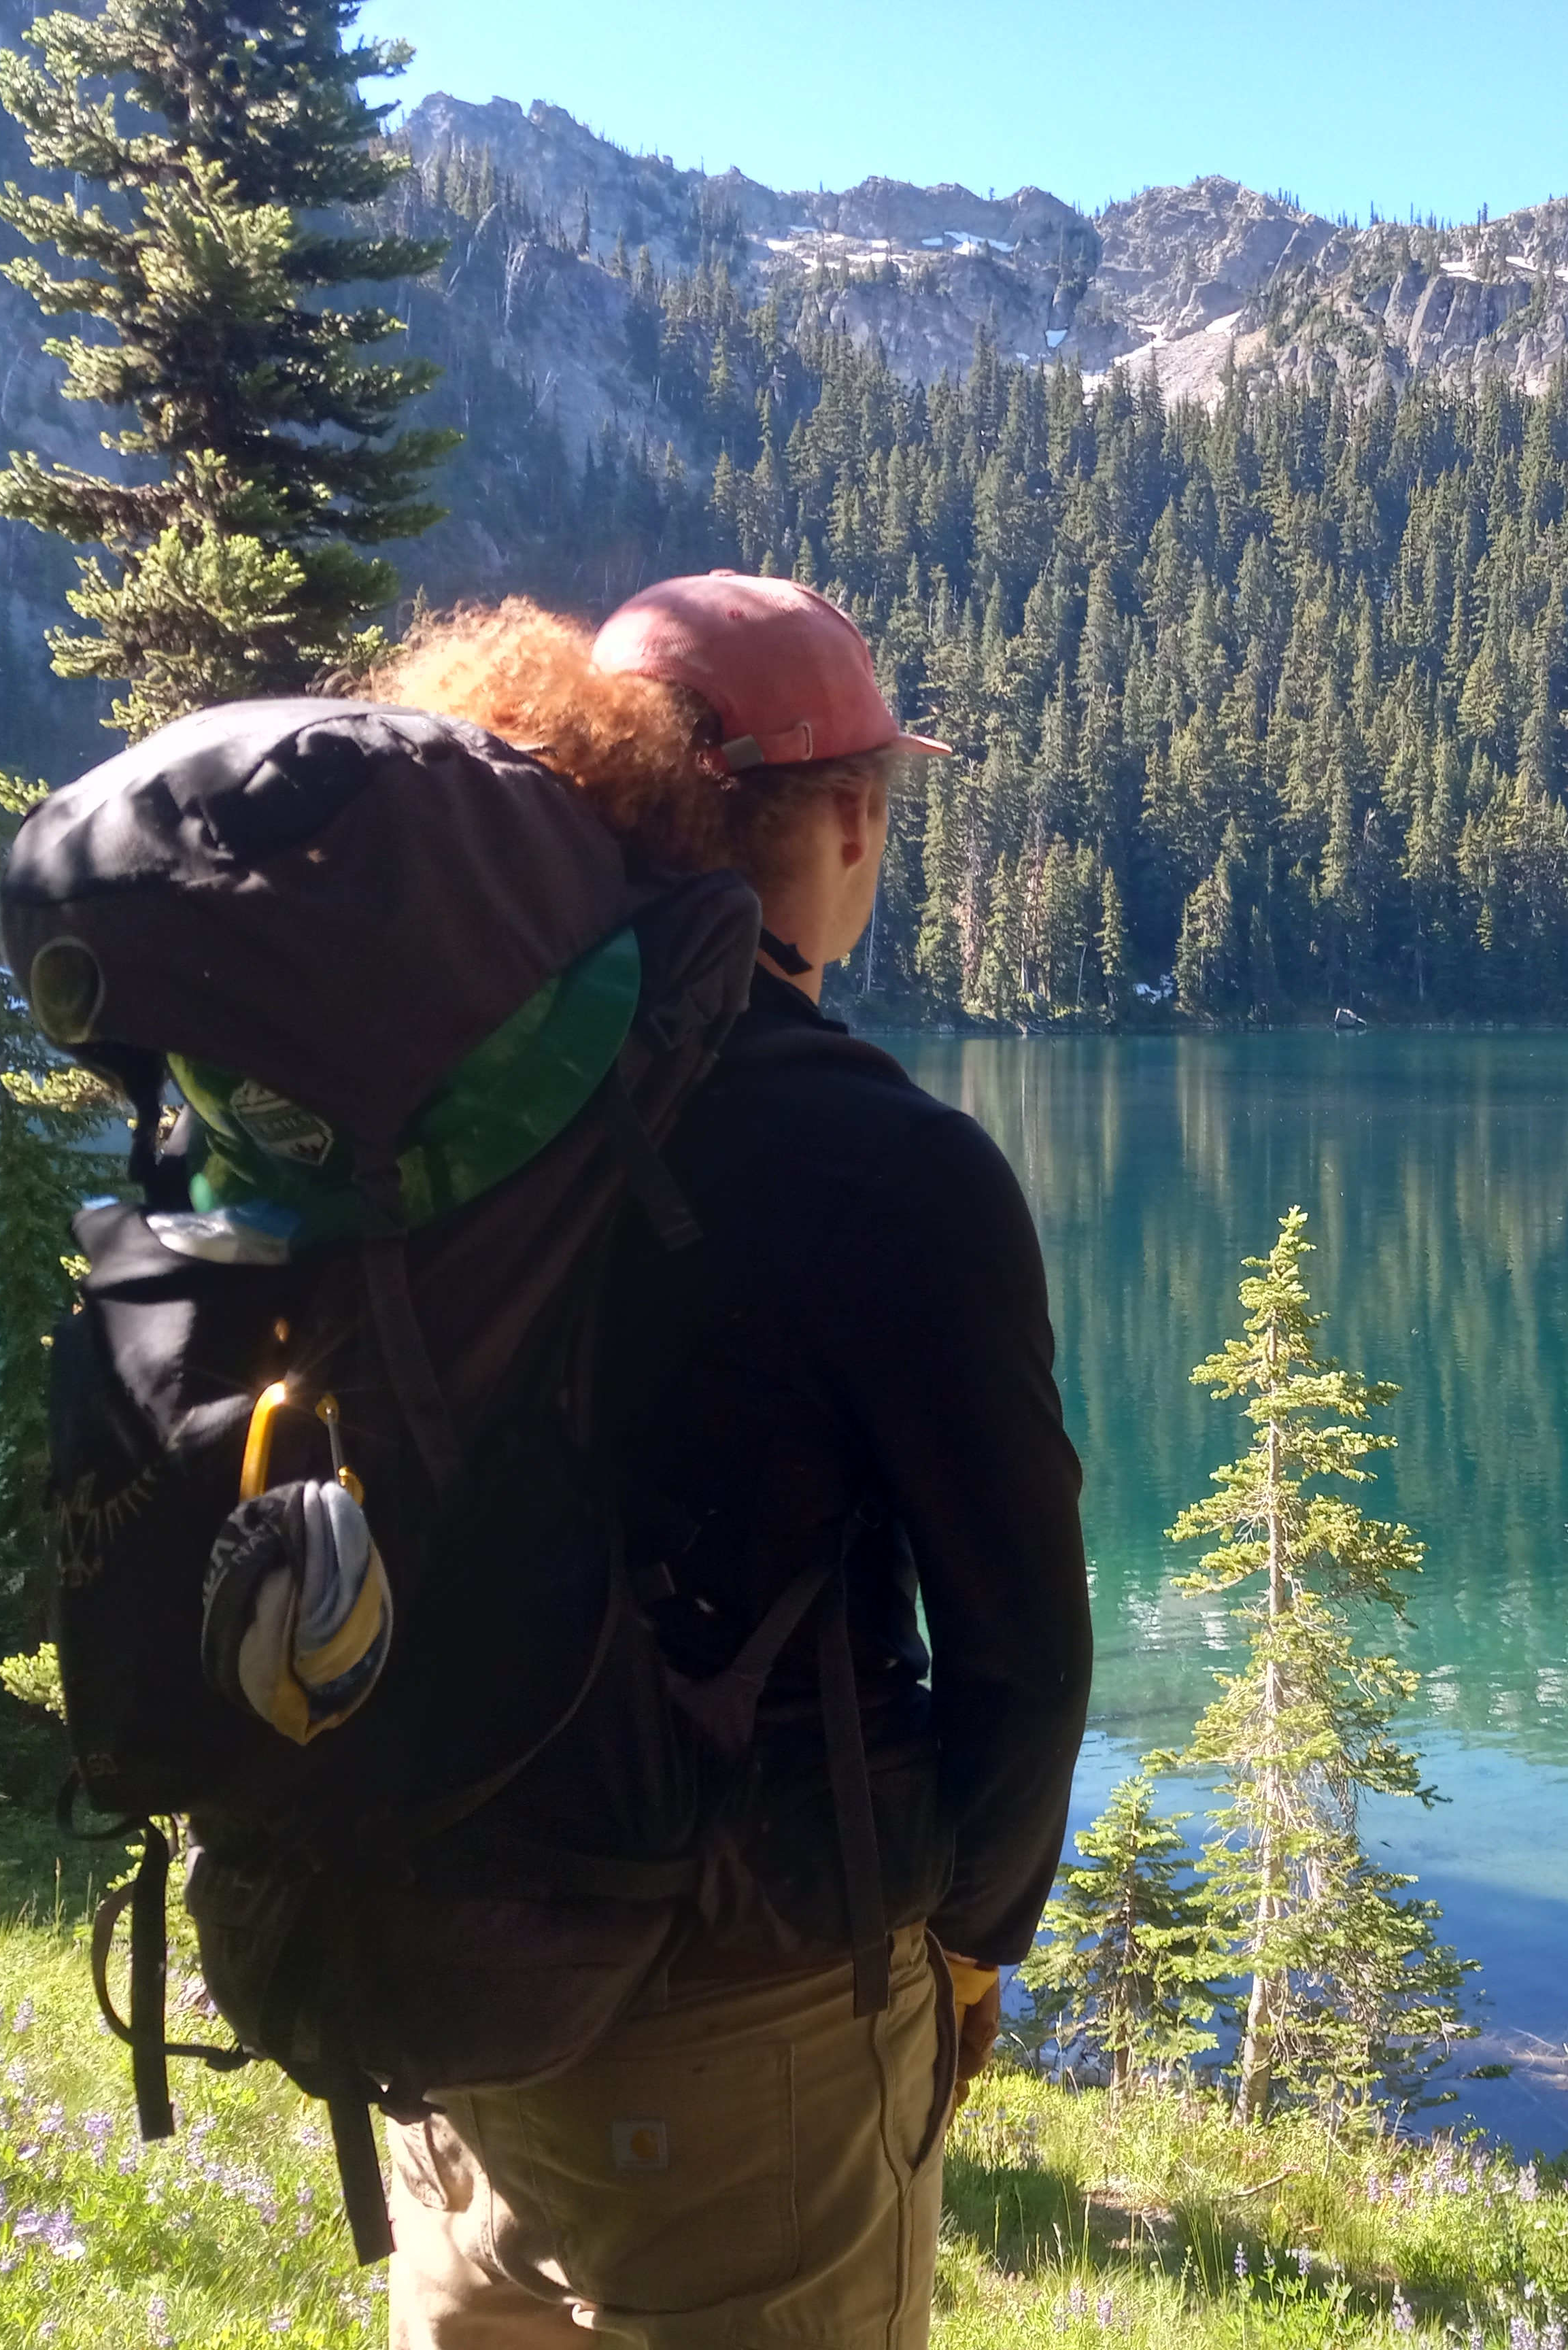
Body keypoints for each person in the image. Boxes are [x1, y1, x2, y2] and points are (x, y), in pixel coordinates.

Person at [359, 575, 1093, 2347]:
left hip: (448, 1966)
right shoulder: (881, 1161)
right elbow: (1023, 1646)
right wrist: (972, 1942)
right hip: (750, 2008)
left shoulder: (442, 1102)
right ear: (847, 817)